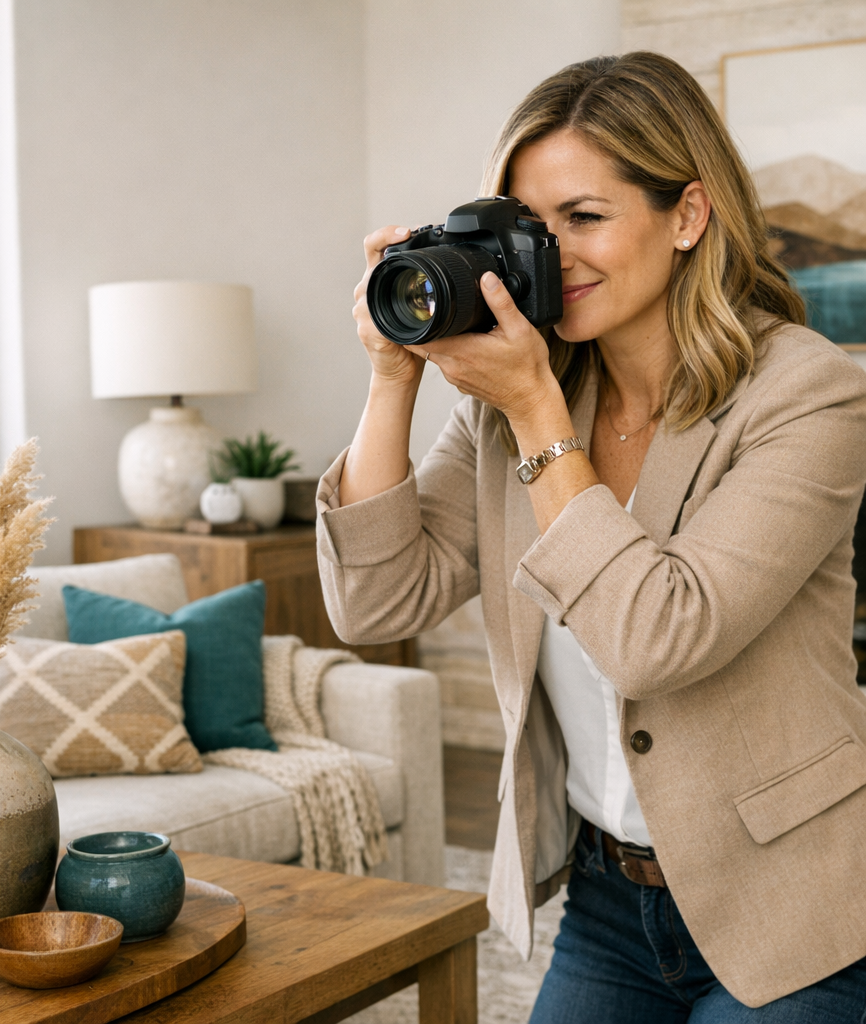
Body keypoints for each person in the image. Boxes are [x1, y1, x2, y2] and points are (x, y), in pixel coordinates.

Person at [315, 52, 866, 1021]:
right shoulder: (517, 395)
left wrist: (534, 412)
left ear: (687, 216)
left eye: (586, 218)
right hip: (610, 899)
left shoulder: (805, 390)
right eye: (533, 226)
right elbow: (374, 601)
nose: (553, 255)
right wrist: (391, 376)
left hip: (795, 897)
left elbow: (659, 637)